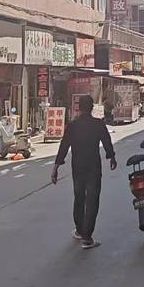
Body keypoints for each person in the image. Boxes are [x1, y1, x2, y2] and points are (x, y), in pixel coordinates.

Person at [51, 95, 117, 249]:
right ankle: (87, 237)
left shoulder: (73, 126)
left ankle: (80, 230)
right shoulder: (98, 124)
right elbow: (107, 141)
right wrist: (111, 157)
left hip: (78, 167)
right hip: (93, 167)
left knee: (79, 197)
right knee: (92, 200)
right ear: (92, 108)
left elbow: (64, 146)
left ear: (78, 108)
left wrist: (56, 167)